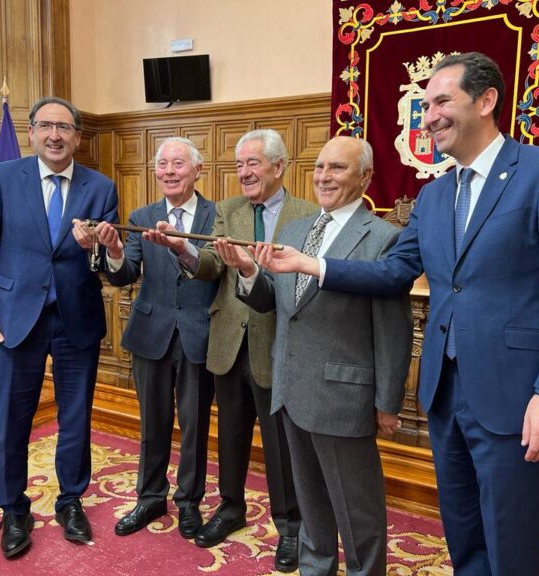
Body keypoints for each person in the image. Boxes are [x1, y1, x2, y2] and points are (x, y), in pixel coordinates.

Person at [260, 52, 539, 575]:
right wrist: (311, 264)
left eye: (442, 101)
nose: (429, 118)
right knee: (464, 536)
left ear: (486, 101)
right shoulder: (433, 194)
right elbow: (393, 273)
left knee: (514, 544)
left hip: (518, 396)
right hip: (445, 395)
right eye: (425, 106)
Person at [215, 136, 412, 575]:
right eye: (320, 167)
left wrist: (387, 402)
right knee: (310, 508)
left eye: (337, 168)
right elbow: (277, 302)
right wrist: (248, 270)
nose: (323, 177)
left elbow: (393, 329)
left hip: (344, 398)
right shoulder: (294, 231)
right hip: (290, 391)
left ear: (365, 177)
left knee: (357, 513)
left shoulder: (384, 239)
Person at [143, 129, 314, 572]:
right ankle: (231, 507)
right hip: (227, 343)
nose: (244, 173)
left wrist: (256, 272)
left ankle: (289, 525)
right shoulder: (228, 210)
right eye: (239, 165)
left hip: (277, 344)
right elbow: (210, 264)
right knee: (231, 435)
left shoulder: (306, 215)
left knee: (279, 444)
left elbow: (304, 283)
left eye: (253, 163)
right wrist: (183, 248)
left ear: (279, 166)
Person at [0, 96, 119, 558]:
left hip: (76, 320)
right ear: (31, 132)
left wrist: (97, 248)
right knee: (11, 420)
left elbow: (108, 263)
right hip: (14, 320)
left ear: (77, 137)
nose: (55, 135)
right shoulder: (3, 177)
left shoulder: (101, 187)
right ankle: (13, 509)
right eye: (46, 126)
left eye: (65, 127)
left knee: (75, 418)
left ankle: (71, 500)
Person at [91, 137, 217, 540]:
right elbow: (124, 274)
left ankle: (189, 501)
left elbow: (218, 271)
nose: (169, 171)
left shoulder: (217, 216)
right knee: (152, 423)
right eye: (162, 164)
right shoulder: (141, 216)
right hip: (151, 334)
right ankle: (150, 498)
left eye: (178, 163)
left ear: (198, 170)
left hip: (199, 334)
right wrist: (114, 250)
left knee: (194, 425)